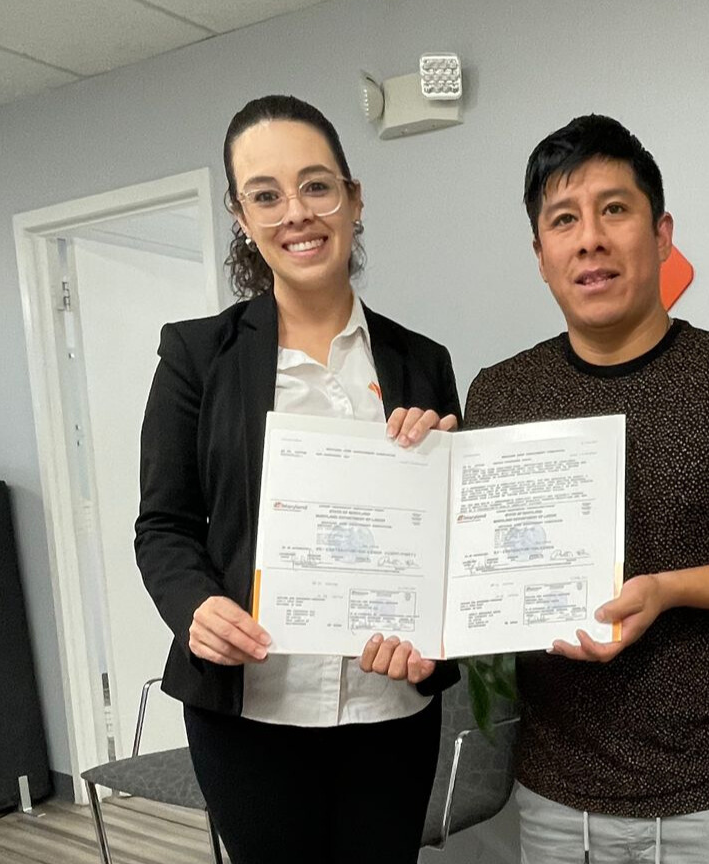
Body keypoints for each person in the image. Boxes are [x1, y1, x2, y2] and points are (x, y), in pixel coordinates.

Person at [463, 114, 709, 863]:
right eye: (563, 220)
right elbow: (480, 570)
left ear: (662, 233)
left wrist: (668, 589)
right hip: (555, 800)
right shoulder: (502, 394)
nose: (590, 240)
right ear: (541, 255)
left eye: (615, 210)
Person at [134, 94, 457, 864]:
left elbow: (448, 546)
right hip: (251, 711)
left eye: (316, 186)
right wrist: (197, 607)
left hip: (389, 708)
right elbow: (165, 526)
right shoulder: (196, 356)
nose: (296, 214)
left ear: (353, 198)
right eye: (265, 195)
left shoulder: (422, 362)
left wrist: (436, 640)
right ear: (242, 217)